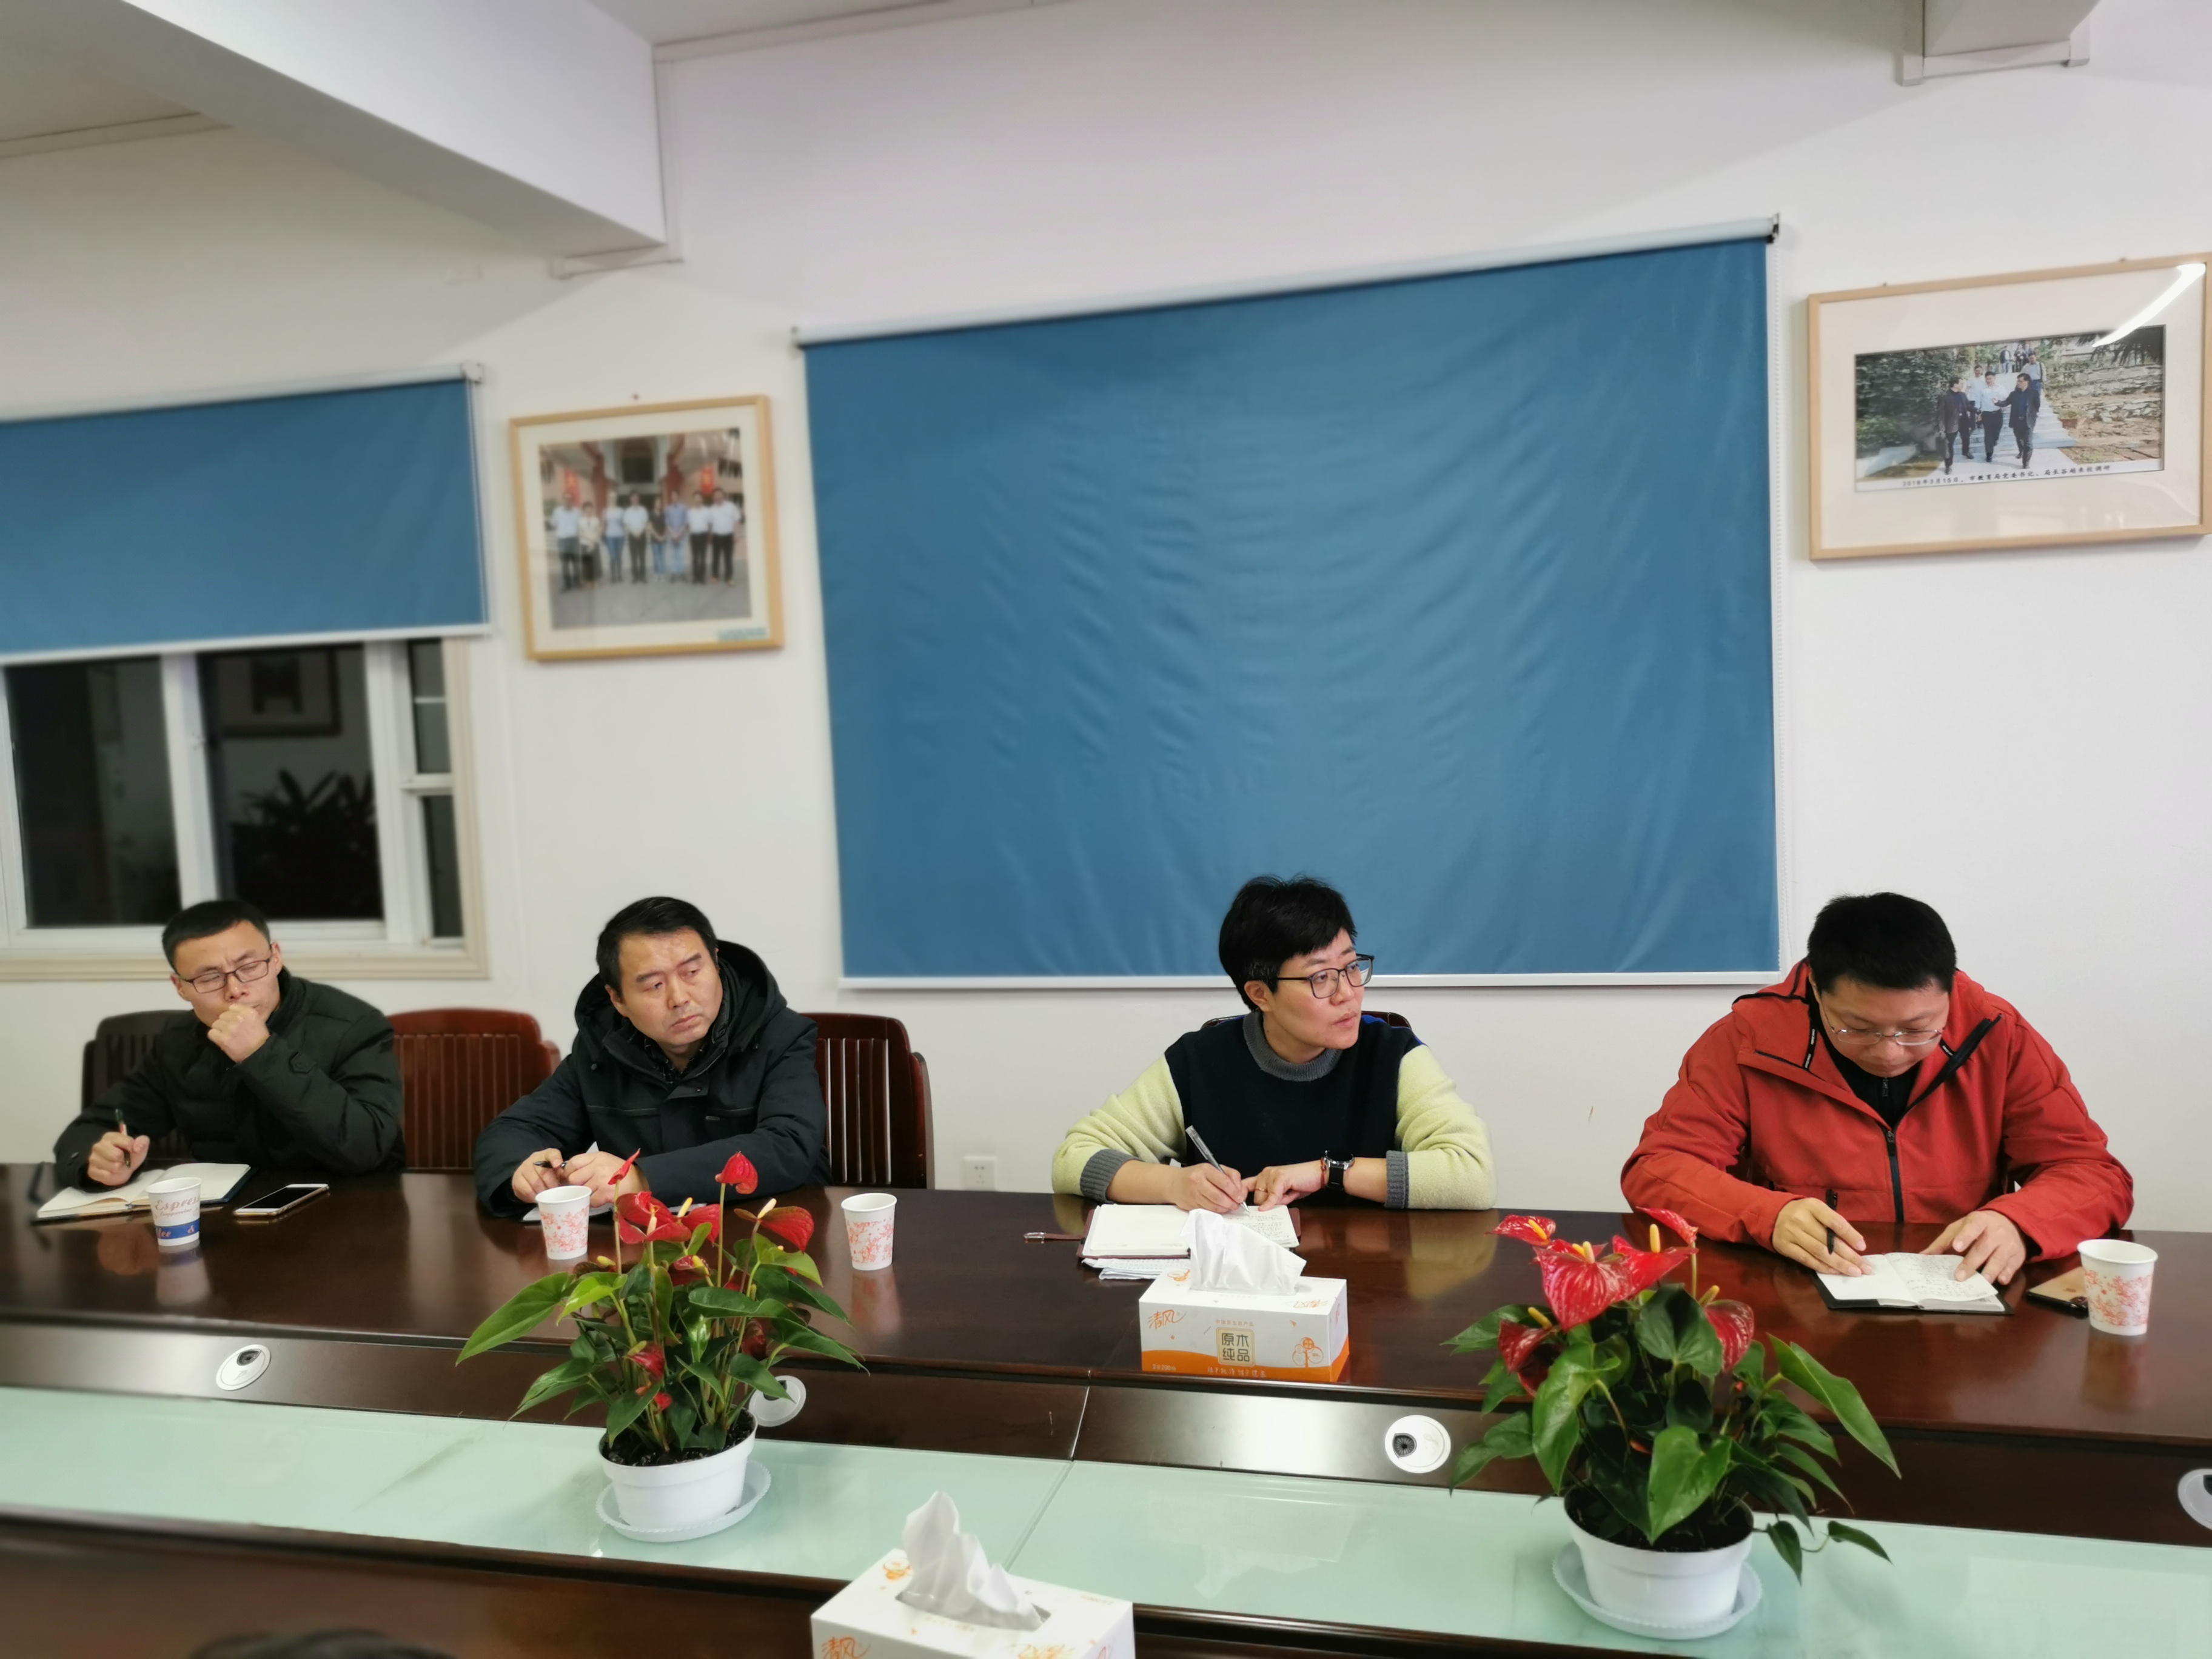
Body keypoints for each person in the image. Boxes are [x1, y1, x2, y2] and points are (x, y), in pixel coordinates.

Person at [1620, 893, 2131, 1286]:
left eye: (1917, 1029)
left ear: (1950, 992)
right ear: (1815, 989)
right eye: (1857, 1028)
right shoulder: (1748, 1040)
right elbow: (1660, 1167)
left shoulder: (1998, 1034)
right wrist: (1766, 1216)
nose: (1889, 1053)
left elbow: (2090, 1172)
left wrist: (2020, 1223)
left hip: (1962, 1292)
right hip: (1799, 1292)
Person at [1051, 876, 1495, 1212]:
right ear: (1261, 994)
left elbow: (1472, 1175)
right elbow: (1074, 1158)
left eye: (1351, 967)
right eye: (1321, 977)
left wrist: (1327, 1172)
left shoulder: (1393, 1055)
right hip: (1236, 1287)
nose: (1348, 993)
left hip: (1368, 1286)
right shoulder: (1200, 1061)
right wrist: (1174, 1185)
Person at [474, 896, 826, 1215]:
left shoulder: (779, 1035)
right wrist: (523, 1172)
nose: (679, 998)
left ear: (716, 963)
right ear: (618, 999)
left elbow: (789, 1145)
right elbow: (517, 1130)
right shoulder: (602, 1049)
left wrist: (640, 1179)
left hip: (764, 1237)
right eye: (654, 985)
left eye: (692, 972)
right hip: (645, 1249)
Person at [51, 899, 404, 1190]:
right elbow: (88, 1131)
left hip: (349, 1213)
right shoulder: (178, 1041)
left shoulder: (353, 1025)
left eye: (249, 967)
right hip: (225, 1223)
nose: (235, 990)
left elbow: (366, 1148)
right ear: (180, 987)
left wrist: (262, 1054)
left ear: (276, 958)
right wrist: (98, 1161)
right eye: (209, 977)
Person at [1999, 370, 2040, 469]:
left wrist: (2032, 415)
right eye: (2018, 381)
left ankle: (2026, 463)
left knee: (2028, 443)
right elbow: (2006, 403)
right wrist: (1997, 402)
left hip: (2028, 421)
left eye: (2020, 381)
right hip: (2017, 421)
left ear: (2027, 382)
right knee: (2019, 438)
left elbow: (2037, 405)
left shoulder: (2034, 393)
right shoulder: (2014, 394)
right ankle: (2021, 451)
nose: (2018, 383)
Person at [1934, 377, 1972, 473]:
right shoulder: (1944, 396)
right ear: (1955, 385)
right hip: (1951, 423)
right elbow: (1940, 413)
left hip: (1964, 421)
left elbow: (1968, 406)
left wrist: (1977, 410)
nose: (1962, 385)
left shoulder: (1963, 395)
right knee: (1949, 445)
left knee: (1966, 438)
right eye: (1961, 383)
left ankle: (1966, 452)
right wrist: (1941, 426)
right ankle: (1948, 465)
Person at [708, 490, 739, 584]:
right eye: (716, 495)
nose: (718, 497)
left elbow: (736, 521)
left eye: (719, 495)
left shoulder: (731, 506)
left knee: (728, 557)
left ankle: (729, 577)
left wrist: (736, 535)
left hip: (729, 536)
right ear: (714, 498)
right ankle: (715, 575)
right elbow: (711, 524)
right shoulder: (712, 509)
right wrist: (710, 535)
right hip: (716, 536)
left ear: (723, 496)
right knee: (715, 557)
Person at [550, 498, 581, 590]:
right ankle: (567, 584)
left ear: (572, 501)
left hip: (574, 539)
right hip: (563, 540)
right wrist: (560, 532)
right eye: (566, 500)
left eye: (570, 500)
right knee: (565, 564)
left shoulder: (576, 512)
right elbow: (553, 524)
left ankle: (577, 582)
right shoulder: (557, 511)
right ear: (563, 501)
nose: (568, 501)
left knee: (576, 563)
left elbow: (580, 524)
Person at [1978, 367, 2007, 464]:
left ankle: (1995, 441)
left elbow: (2006, 399)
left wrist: (2002, 404)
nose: (1988, 381)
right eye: (1987, 379)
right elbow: (1979, 402)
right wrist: (1979, 413)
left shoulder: (2001, 388)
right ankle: (1989, 454)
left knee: (1997, 432)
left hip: (1998, 414)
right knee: (1988, 435)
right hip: (1987, 415)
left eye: (1990, 379)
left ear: (1995, 378)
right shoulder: (1982, 390)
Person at [623, 494, 650, 583]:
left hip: (642, 536)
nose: (635, 500)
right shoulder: (628, 511)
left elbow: (645, 523)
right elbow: (627, 525)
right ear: (631, 500)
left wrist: (639, 533)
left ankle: (642, 576)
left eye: (636, 498)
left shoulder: (643, 510)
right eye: (633, 498)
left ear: (639, 499)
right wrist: (634, 533)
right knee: (633, 558)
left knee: (642, 557)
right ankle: (635, 576)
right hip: (632, 536)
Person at [663, 492, 689, 580]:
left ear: (678, 497)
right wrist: (674, 535)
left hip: (681, 536)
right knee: (673, 556)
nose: (674, 498)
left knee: (681, 555)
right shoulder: (668, 509)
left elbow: (685, 523)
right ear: (671, 498)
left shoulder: (684, 508)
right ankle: (674, 573)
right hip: (672, 536)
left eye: (676, 496)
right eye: (672, 496)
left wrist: (679, 534)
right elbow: (667, 524)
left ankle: (681, 573)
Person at [603, 494, 628, 583]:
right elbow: (604, 524)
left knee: (619, 556)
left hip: (620, 536)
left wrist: (625, 532)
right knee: (613, 557)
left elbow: (624, 523)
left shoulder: (621, 511)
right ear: (609, 499)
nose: (613, 499)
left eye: (614, 498)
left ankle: (619, 575)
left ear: (616, 499)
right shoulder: (605, 511)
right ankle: (613, 576)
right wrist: (602, 534)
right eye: (611, 498)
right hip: (610, 536)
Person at [689, 490, 712, 585]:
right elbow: (688, 525)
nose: (697, 499)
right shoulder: (690, 512)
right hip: (694, 536)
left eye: (699, 498)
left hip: (703, 536)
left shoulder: (707, 511)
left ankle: (702, 577)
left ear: (702, 499)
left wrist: (709, 535)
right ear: (694, 500)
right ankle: (695, 576)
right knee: (695, 557)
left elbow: (710, 524)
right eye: (696, 498)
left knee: (703, 557)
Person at [578, 500, 603, 585]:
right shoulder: (580, 521)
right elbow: (580, 533)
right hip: (585, 544)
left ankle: (596, 580)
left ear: (592, 510)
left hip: (595, 543)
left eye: (590, 510)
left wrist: (595, 539)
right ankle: (588, 581)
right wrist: (590, 539)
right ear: (584, 510)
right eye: (587, 510)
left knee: (596, 562)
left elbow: (599, 530)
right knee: (587, 563)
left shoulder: (596, 520)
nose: (589, 512)